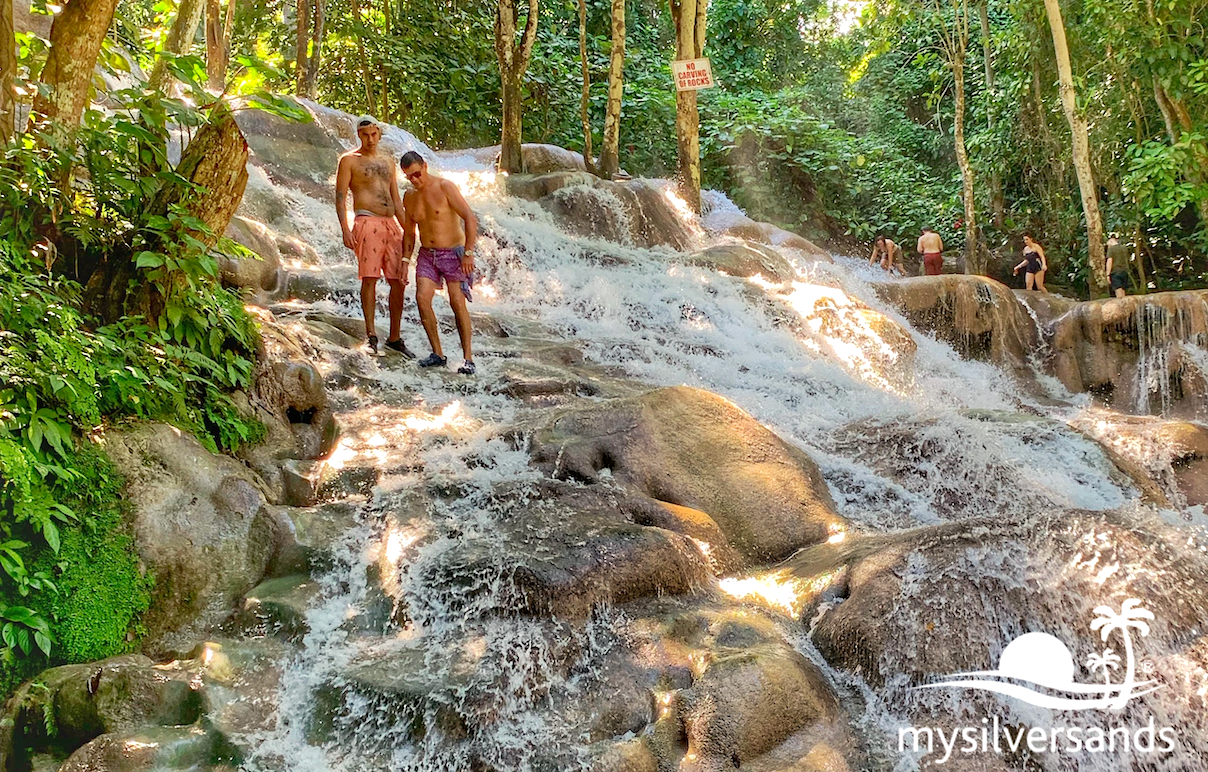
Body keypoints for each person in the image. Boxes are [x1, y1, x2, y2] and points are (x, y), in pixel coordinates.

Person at [335, 115, 414, 356]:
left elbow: (396, 199)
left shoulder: (388, 161)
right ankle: (371, 334)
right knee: (369, 278)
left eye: (374, 134)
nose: (370, 139)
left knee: (398, 281)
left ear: (379, 134)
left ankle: (394, 337)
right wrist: (345, 229)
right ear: (359, 135)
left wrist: (409, 230)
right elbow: (340, 196)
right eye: (365, 135)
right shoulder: (349, 161)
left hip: (391, 223)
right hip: (366, 220)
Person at [400, 151, 479, 375]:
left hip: (453, 253)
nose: (415, 180)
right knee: (422, 298)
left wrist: (469, 253)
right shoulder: (410, 196)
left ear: (425, 166)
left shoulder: (445, 187)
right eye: (409, 177)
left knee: (457, 302)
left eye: (417, 174)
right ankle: (438, 354)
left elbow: (469, 218)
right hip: (427, 254)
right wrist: (405, 260)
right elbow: (409, 233)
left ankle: (468, 358)